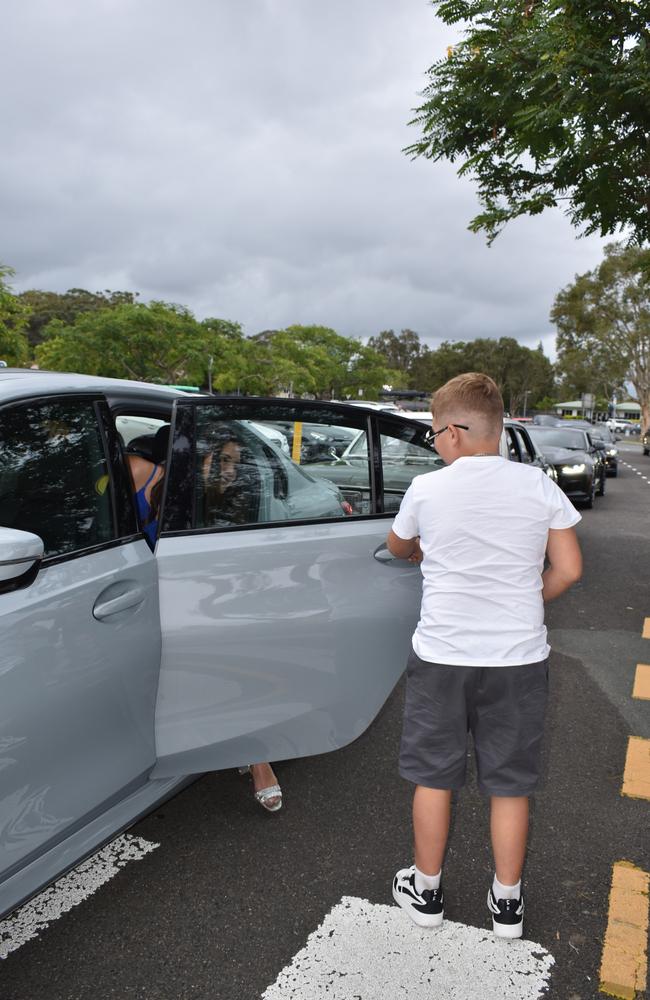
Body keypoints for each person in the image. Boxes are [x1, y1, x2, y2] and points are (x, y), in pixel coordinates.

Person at [388, 373, 582, 939]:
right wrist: (526, 598)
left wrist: (421, 547)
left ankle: (425, 891)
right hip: (517, 656)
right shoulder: (538, 486)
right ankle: (507, 905)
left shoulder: (427, 489)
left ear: (450, 432)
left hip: (443, 654)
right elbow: (568, 569)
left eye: (433, 434)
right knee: (509, 783)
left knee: (433, 776)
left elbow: (399, 545)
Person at [202, 432, 282, 813]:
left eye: (234, 462)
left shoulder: (243, 499)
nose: (228, 470)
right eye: (222, 460)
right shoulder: (174, 492)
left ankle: (258, 759)